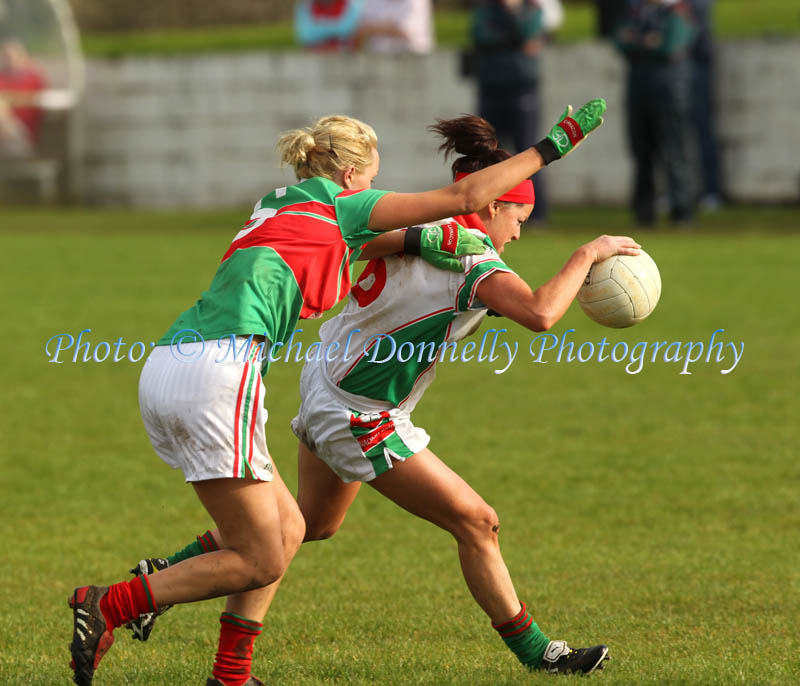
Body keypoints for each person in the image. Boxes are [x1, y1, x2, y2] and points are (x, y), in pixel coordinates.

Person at [68, 102, 607, 686]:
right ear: (351, 176)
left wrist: (416, 243)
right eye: (519, 217)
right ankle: (538, 652)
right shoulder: (458, 250)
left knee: (300, 527)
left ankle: (220, 660)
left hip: (277, 374)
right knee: (472, 521)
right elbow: (536, 307)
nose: (521, 231)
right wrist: (583, 235)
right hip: (332, 403)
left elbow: (378, 241)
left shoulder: (284, 202)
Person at [614, 0, 696, 226]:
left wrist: (638, 41)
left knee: (675, 152)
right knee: (641, 153)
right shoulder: (636, 10)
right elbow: (619, 40)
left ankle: (682, 210)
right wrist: (648, 42)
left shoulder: (677, 12)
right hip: (639, 93)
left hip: (669, 93)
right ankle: (644, 211)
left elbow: (669, 46)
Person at [470, 0, 551, 223]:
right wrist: (515, 40)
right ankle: (491, 210)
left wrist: (507, 25)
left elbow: (527, 31)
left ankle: (536, 214)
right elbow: (481, 36)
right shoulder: (485, 10)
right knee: (488, 153)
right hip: (492, 89)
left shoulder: (532, 10)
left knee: (530, 153)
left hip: (522, 90)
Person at [0, 39, 46, 159]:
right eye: (5, 56)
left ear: (22, 57)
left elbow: (36, 98)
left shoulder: (33, 77)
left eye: (11, 56)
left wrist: (7, 100)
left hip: (22, 134)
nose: (8, 60)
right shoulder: (2, 78)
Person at [356, 0, 434, 55]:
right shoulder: (370, 2)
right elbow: (358, 31)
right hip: (376, 64)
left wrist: (377, 28)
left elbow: (417, 44)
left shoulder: (418, 3)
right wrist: (385, 29)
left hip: (410, 65)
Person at [294, 0, 365, 52]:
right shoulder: (306, 6)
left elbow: (348, 30)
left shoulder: (351, 5)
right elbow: (305, 35)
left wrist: (318, 25)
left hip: (343, 59)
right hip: (314, 59)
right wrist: (337, 28)